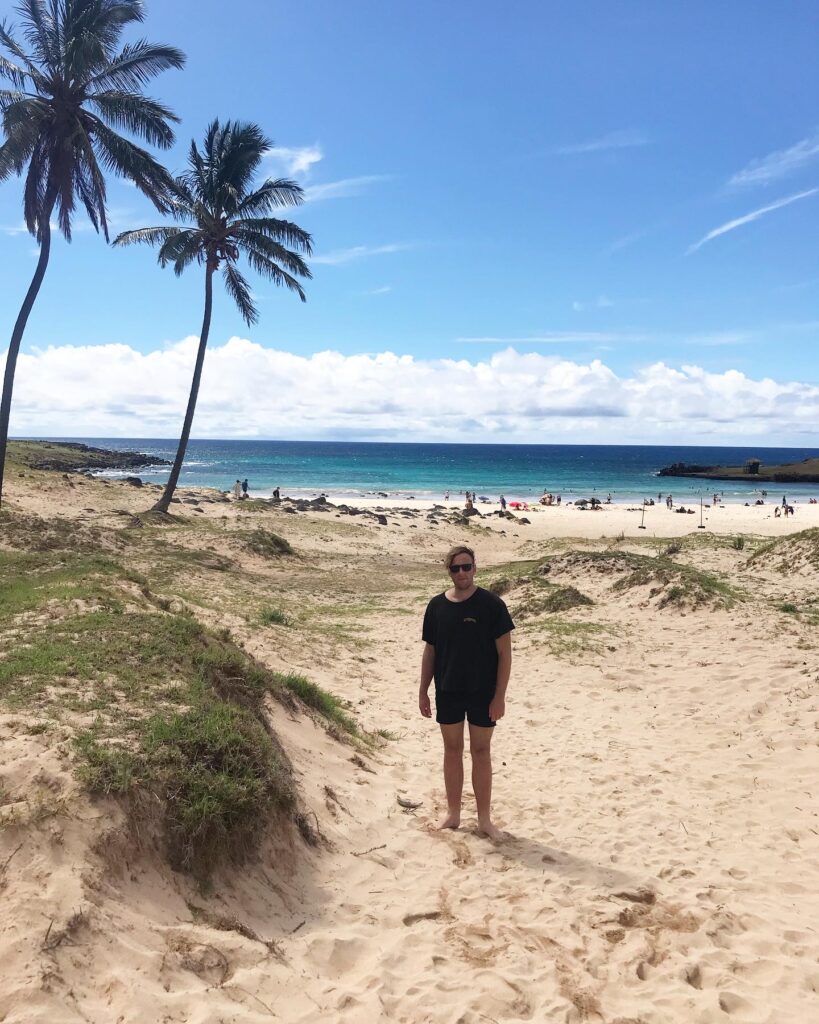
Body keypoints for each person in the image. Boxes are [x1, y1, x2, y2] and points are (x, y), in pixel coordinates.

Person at [419, 545, 514, 840]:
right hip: (447, 689)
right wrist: (423, 691)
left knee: (481, 752)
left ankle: (485, 819)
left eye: (467, 566)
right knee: (452, 751)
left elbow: (505, 654)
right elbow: (430, 652)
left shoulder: (491, 605)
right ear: (448, 571)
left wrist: (499, 697)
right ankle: (453, 813)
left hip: (482, 692)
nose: (462, 573)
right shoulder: (436, 606)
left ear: (475, 568)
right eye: (455, 568)